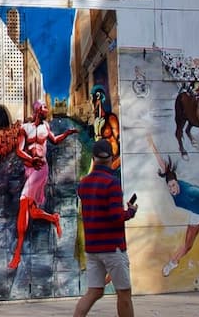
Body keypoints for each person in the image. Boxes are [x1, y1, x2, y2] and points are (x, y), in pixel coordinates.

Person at [11, 99, 77, 270]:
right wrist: (30, 159)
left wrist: (67, 133)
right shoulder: (25, 128)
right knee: (32, 212)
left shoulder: (46, 127)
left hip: (41, 169)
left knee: (24, 202)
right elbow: (19, 150)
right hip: (29, 169)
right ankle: (54, 218)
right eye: (45, 107)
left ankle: (17, 255)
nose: (47, 109)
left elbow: (54, 140)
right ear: (37, 110)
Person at [74, 140, 137, 317]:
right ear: (111, 158)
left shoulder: (84, 184)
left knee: (94, 291)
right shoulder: (112, 183)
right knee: (124, 293)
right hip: (112, 248)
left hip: (93, 248)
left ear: (94, 158)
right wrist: (130, 212)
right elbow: (116, 217)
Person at [158, 157, 199, 288]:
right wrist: (151, 146)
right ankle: (173, 262)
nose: (172, 189)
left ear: (177, 182)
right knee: (188, 244)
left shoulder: (188, 190)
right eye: (169, 187)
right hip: (196, 211)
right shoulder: (173, 192)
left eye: (173, 185)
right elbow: (164, 167)